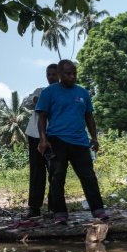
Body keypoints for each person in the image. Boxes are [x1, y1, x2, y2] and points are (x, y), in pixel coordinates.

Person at [36, 59, 108, 224]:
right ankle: (60, 213)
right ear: (60, 75)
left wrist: (94, 138)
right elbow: (42, 117)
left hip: (80, 142)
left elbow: (89, 117)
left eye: (74, 73)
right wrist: (43, 139)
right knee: (57, 176)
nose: (72, 77)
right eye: (68, 74)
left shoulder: (83, 93)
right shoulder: (49, 92)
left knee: (88, 176)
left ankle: (98, 210)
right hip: (57, 140)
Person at [21, 63, 59, 219]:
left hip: (55, 136)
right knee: (37, 171)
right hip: (35, 136)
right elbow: (25, 102)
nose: (51, 77)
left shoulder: (64, 93)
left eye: (54, 74)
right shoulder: (40, 91)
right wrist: (34, 100)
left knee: (56, 171)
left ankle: (55, 207)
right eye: (48, 74)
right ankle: (34, 208)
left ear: (60, 75)